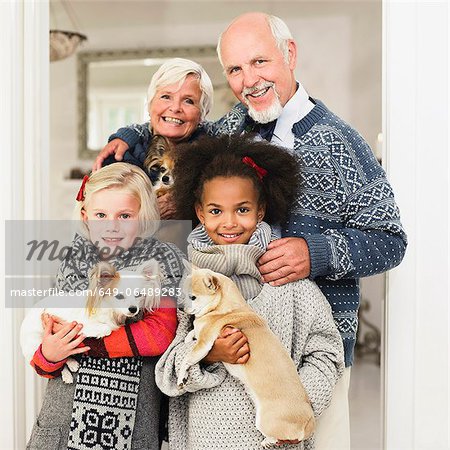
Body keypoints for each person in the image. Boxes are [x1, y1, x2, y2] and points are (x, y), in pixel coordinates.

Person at [98, 13, 407, 448]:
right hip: (225, 347)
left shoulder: (343, 143)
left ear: (290, 54)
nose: (250, 80)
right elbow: (175, 122)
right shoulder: (226, 129)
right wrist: (126, 134)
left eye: (260, 62)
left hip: (311, 350)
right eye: (236, 69)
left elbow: (390, 239)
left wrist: (316, 252)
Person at [154, 134, 345, 450]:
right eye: (216, 211)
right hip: (205, 440)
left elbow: (327, 353)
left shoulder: (291, 285)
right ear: (200, 213)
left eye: (242, 209)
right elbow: (166, 374)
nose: (229, 222)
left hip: (277, 440)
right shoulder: (184, 287)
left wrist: (295, 406)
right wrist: (209, 354)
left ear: (260, 211)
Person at [24, 163, 184, 450]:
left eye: (125, 216)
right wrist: (48, 354)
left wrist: (85, 341)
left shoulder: (160, 263)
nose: (112, 225)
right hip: (64, 416)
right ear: (85, 217)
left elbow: (160, 334)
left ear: (143, 216)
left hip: (131, 420)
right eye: (101, 215)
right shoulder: (72, 261)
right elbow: (51, 335)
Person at [93, 57, 214, 219]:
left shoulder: (213, 153)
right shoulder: (122, 154)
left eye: (189, 101)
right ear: (149, 104)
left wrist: (184, 201)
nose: (176, 108)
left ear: (202, 114)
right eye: (166, 96)